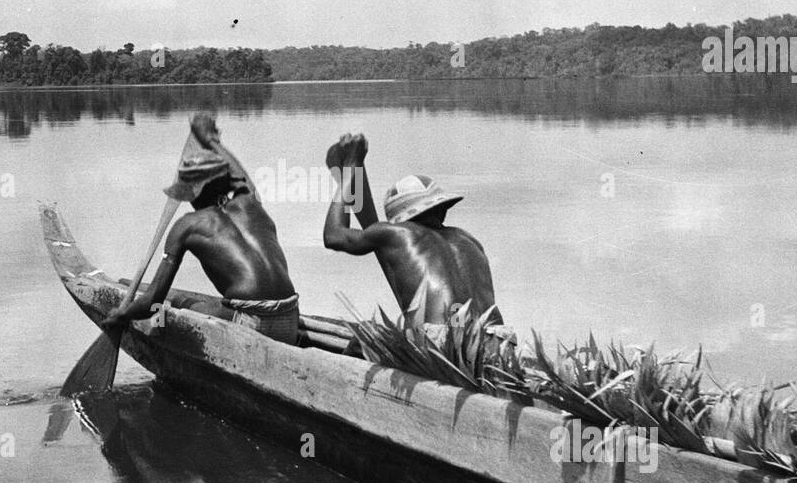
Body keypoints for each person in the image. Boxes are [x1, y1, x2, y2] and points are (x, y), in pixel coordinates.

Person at [101, 112, 300, 343]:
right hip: (291, 318)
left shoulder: (187, 226)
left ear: (191, 193)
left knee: (172, 306)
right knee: (204, 304)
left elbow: (152, 300)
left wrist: (121, 315)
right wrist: (212, 141)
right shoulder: (250, 202)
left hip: (252, 324)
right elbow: (241, 177)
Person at [322, 132, 499, 330]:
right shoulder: (469, 240)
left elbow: (333, 235)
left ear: (400, 221)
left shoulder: (397, 234)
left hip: (442, 340)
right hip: (497, 341)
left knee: (363, 335)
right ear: (441, 211)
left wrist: (352, 166)